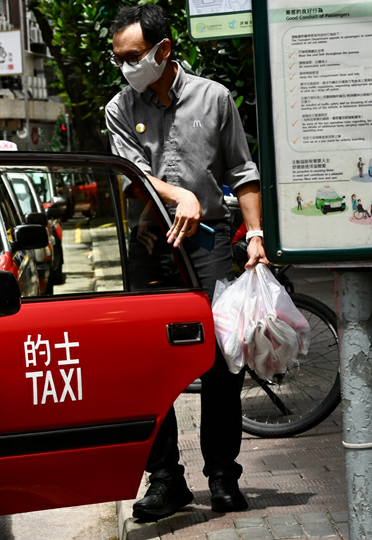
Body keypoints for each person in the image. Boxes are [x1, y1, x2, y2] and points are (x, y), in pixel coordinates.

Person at [104, 4, 269, 521]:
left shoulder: (214, 98)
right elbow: (132, 173)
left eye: (134, 57)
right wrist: (180, 194)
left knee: (220, 363)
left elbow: (242, 171)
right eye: (120, 59)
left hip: (211, 248)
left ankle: (222, 478)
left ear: (163, 50)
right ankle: (166, 480)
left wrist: (257, 235)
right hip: (150, 247)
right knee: (149, 365)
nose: (127, 67)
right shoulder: (117, 108)